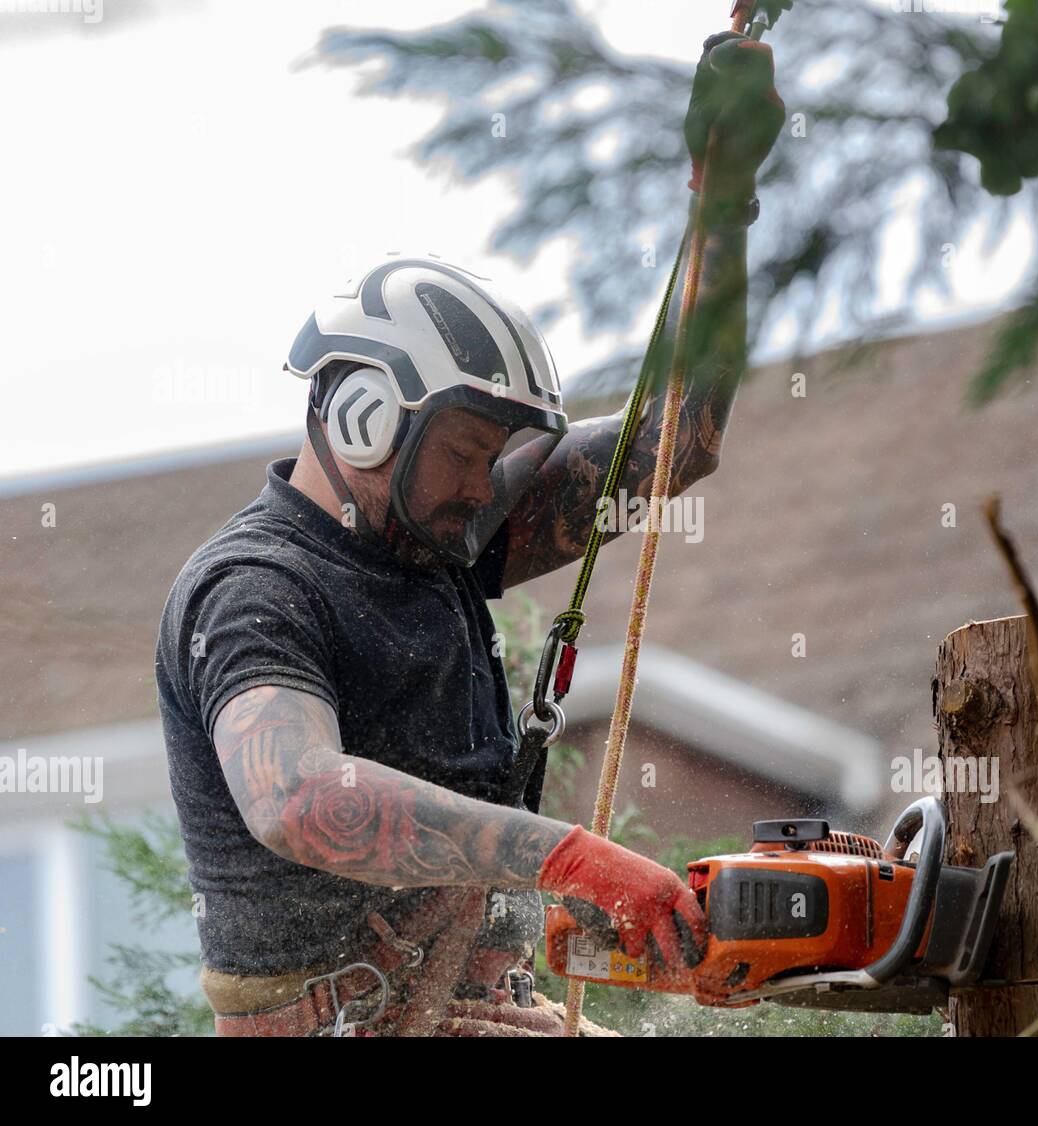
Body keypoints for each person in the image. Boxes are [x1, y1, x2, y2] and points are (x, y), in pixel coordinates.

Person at [155, 29, 784, 1037]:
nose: (484, 481)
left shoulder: (438, 530)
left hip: (475, 1014)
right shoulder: (254, 591)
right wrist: (568, 856)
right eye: (464, 447)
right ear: (364, 417)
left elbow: (676, 440)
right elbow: (302, 800)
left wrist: (724, 207)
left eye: (497, 453)